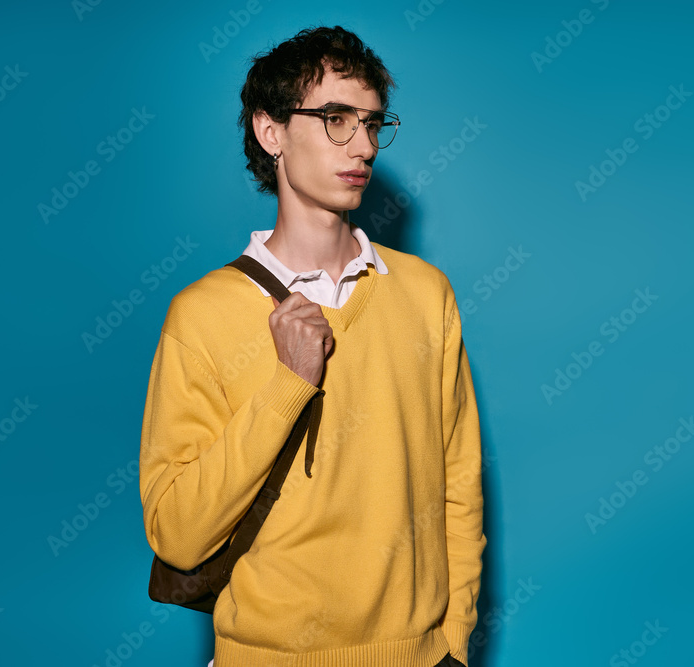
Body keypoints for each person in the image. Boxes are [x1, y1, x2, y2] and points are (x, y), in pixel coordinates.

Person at [139, 25, 485, 667]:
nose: (364, 145)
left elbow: (458, 485)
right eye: (335, 119)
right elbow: (178, 536)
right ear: (270, 132)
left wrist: (454, 644)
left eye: (372, 123)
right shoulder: (202, 315)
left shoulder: (424, 293)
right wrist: (288, 385)